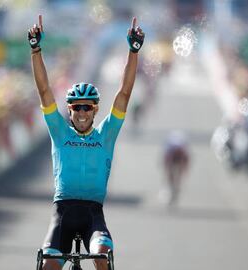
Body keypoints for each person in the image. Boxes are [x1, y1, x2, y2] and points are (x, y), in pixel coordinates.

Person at [28, 14, 144, 270]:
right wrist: (36, 49)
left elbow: (124, 93)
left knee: (101, 256)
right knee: (49, 264)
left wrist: (133, 51)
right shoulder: (59, 131)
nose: (81, 113)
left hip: (93, 215)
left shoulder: (106, 133)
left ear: (95, 110)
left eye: (87, 108)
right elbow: (44, 90)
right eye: (76, 107)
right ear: (69, 110)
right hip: (62, 214)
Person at [161, 130, 190, 206]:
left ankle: (176, 188)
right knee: (170, 172)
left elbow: (185, 163)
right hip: (170, 152)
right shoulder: (169, 150)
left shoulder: (183, 151)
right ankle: (170, 187)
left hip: (181, 152)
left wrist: (184, 171)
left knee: (180, 172)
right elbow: (166, 163)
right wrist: (168, 173)